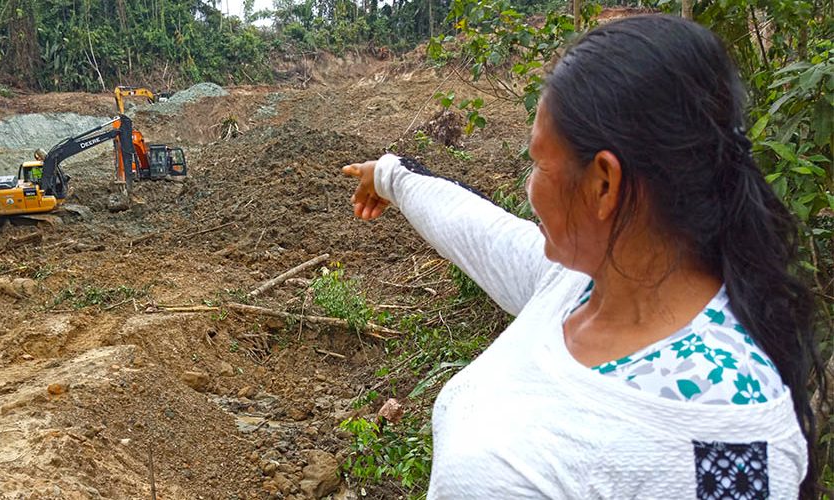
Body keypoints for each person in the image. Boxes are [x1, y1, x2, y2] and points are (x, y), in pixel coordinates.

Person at [343, 15, 821, 499]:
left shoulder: (725, 419)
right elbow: (481, 232)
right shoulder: (580, 288)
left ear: (604, 183)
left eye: (539, 164)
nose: (529, 189)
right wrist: (391, 176)